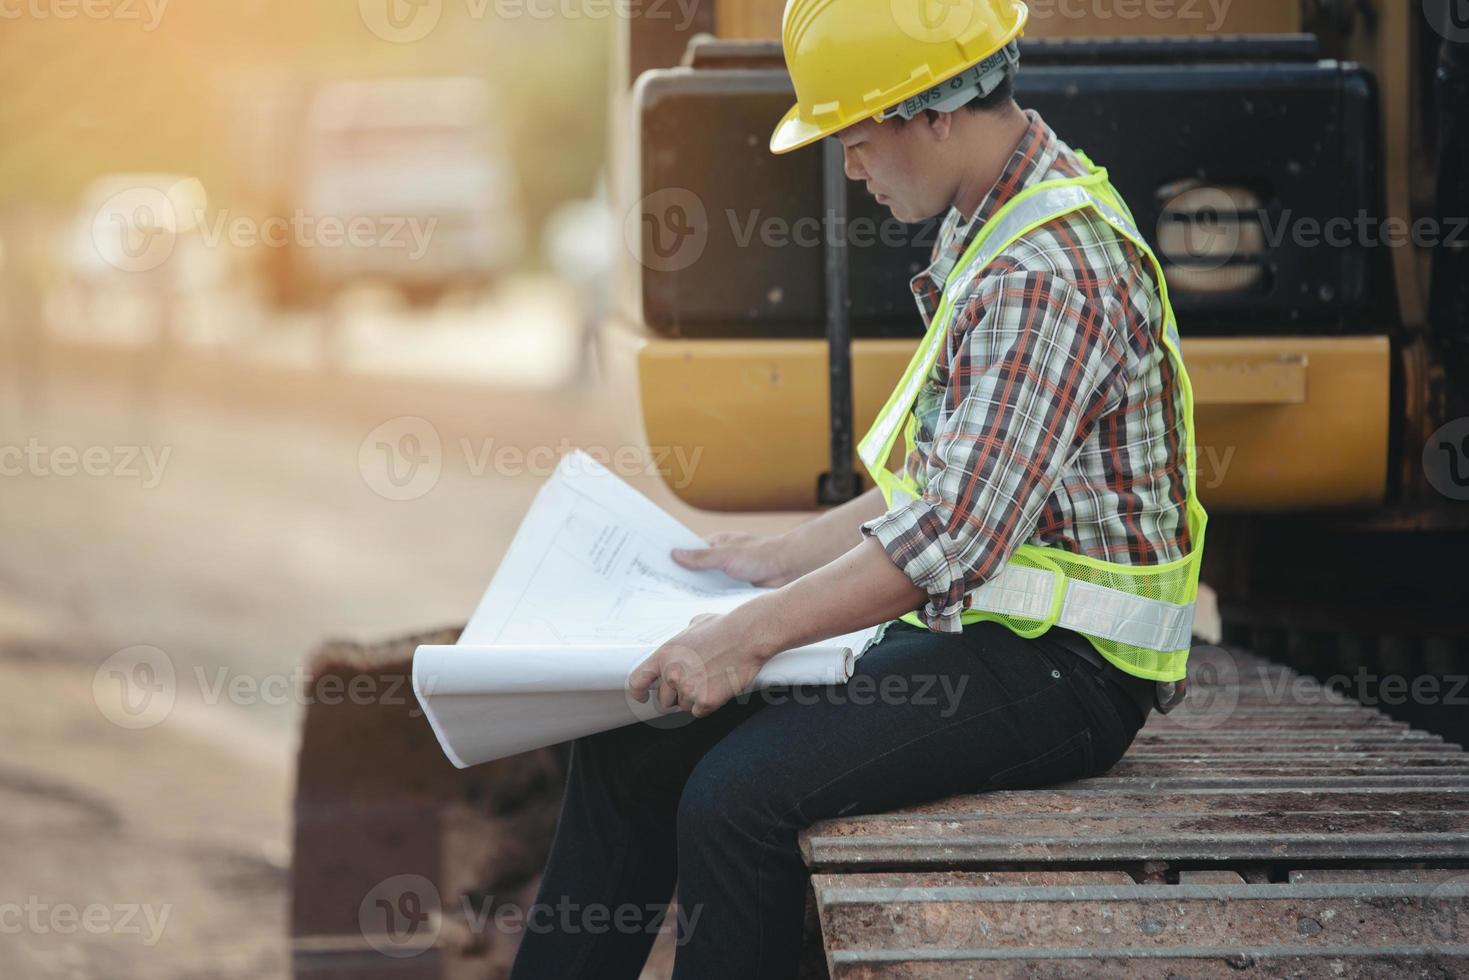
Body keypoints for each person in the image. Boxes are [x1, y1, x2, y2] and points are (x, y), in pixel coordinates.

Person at [510, 1, 1206, 977]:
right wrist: (778, 558)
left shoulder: (1045, 268)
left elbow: (953, 536)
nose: (846, 164)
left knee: (734, 802)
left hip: (1065, 670)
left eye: (854, 133)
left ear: (934, 112)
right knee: (632, 746)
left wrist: (741, 636)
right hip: (982, 633)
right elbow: (943, 479)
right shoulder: (995, 215)